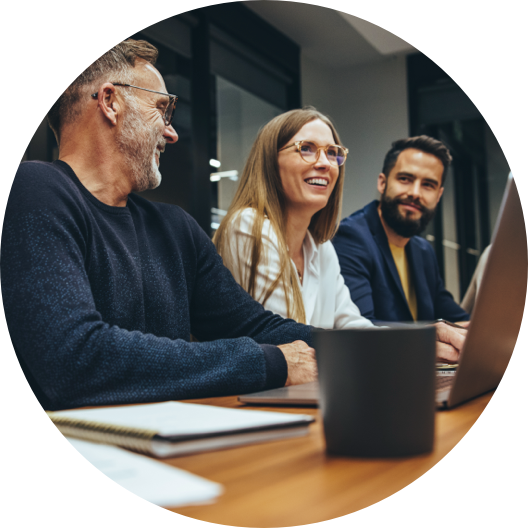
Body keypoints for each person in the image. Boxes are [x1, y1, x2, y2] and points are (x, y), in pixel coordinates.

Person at [0, 39, 317, 411]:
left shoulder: (175, 228)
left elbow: (255, 326)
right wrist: (272, 363)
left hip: (171, 443)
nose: (172, 133)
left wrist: (355, 348)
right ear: (110, 101)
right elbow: (74, 360)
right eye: (162, 110)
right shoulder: (32, 190)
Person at [214, 112, 466, 362]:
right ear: (270, 161)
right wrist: (412, 345)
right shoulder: (248, 225)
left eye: (332, 152)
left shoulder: (321, 248)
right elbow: (287, 341)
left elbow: (352, 324)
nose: (325, 163)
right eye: (307, 148)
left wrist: (420, 340)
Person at [332, 135, 470, 328]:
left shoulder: (423, 250)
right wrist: (435, 334)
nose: (415, 192)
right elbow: (361, 327)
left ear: (438, 195)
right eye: (405, 179)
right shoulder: (350, 238)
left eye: (428, 185)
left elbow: (455, 317)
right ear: (382, 183)